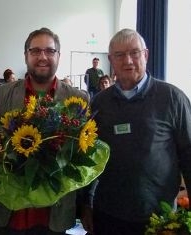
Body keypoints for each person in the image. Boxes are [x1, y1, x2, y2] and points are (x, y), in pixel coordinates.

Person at [81, 28, 191, 235]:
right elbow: (88, 158)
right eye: (120, 55)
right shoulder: (99, 103)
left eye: (134, 53)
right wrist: (86, 203)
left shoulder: (173, 99)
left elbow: (188, 153)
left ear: (146, 55)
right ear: (111, 60)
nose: (128, 61)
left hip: (160, 218)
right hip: (108, 215)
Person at [0, 27, 89, 235]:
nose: (42, 57)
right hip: (8, 212)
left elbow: (82, 154)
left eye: (49, 51)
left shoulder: (78, 100)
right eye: (35, 51)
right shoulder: (3, 94)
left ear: (59, 56)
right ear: (26, 55)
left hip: (54, 215)